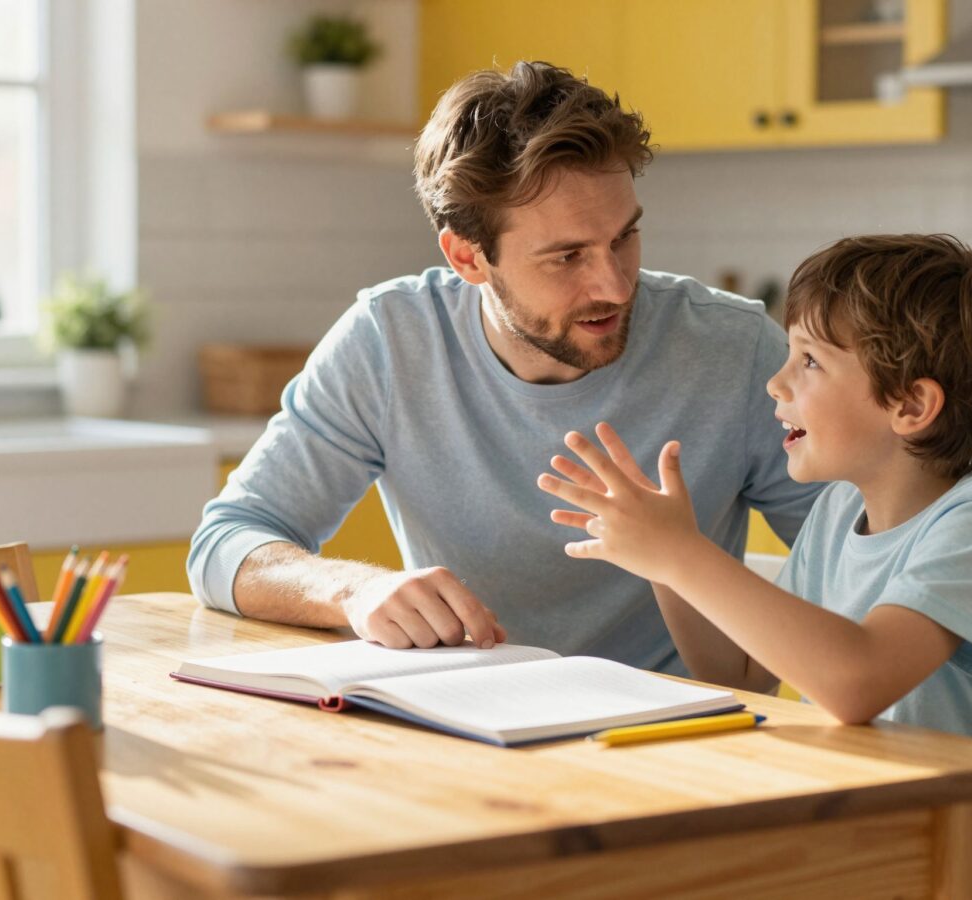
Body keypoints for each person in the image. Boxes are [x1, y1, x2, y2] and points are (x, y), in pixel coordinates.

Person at [186, 61, 821, 673]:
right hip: (466, 718)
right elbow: (226, 542)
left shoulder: (735, 351)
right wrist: (353, 591)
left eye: (624, 237)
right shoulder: (391, 341)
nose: (616, 285)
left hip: (677, 725)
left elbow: (863, 561)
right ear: (467, 258)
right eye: (567, 257)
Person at [537, 234, 972, 897]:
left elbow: (857, 682)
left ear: (910, 406)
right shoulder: (839, 511)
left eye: (809, 361)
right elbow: (737, 674)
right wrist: (667, 561)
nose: (776, 383)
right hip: (869, 863)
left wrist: (682, 554)